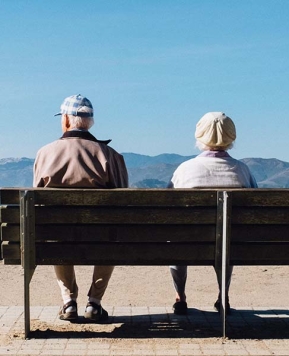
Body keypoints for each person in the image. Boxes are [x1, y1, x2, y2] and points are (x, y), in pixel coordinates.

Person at [33, 94, 128, 322]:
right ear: (90, 122)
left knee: (55, 233)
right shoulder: (110, 156)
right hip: (101, 236)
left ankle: (68, 302)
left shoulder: (45, 153)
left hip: (60, 237)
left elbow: (35, 202)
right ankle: (94, 303)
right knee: (111, 236)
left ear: (66, 120)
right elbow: (125, 201)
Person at [168, 112, 257, 315]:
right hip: (231, 243)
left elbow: (168, 210)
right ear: (231, 137)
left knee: (176, 240)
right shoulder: (242, 170)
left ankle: (180, 297)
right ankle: (222, 296)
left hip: (188, 243)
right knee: (226, 238)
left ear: (199, 137)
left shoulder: (184, 170)